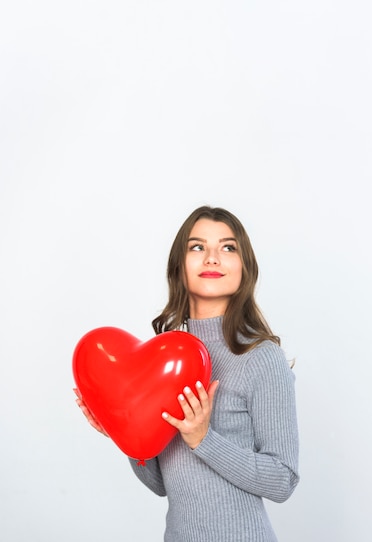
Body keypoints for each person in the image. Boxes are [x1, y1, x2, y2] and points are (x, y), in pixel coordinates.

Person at [76, 205, 299, 541]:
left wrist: (203, 440)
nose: (212, 258)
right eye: (197, 247)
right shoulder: (163, 364)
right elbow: (163, 486)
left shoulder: (260, 357)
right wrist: (126, 436)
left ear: (244, 268)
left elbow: (283, 480)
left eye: (228, 247)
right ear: (179, 267)